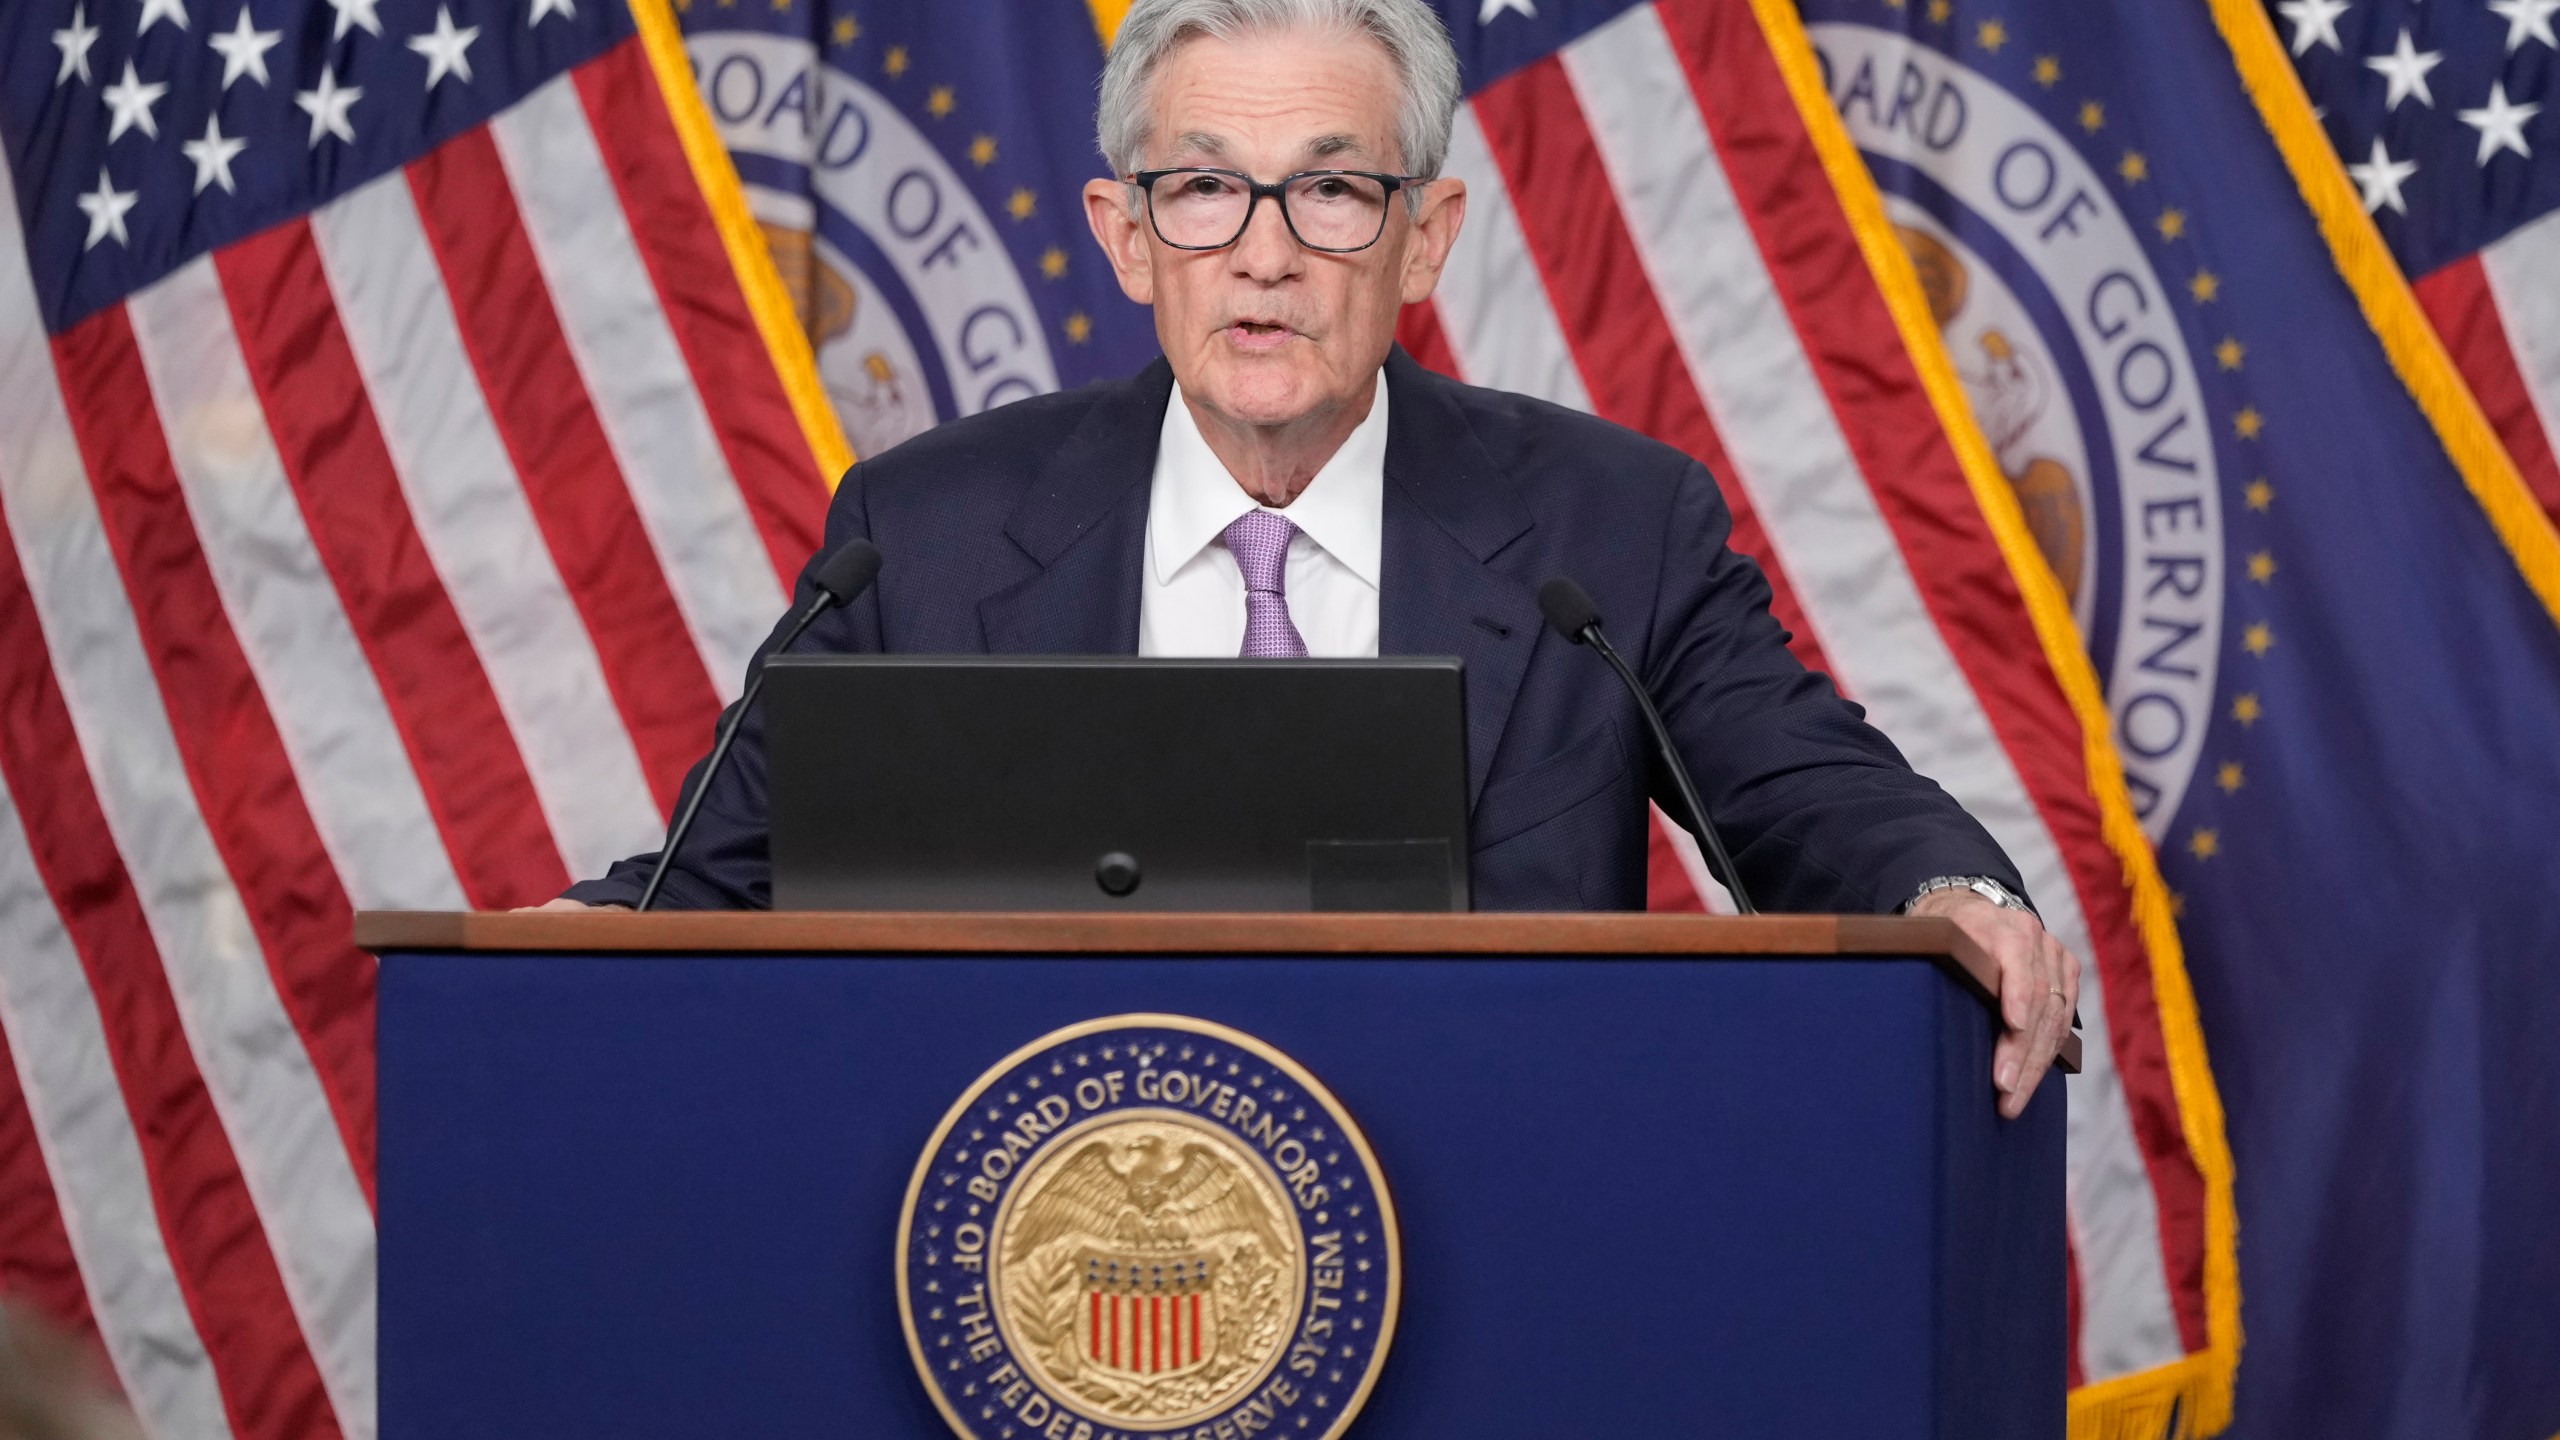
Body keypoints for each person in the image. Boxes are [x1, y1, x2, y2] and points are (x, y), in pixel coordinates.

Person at [549, 0, 2080, 1116]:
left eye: (1333, 189)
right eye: (1206, 187)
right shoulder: (925, 535)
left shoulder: (1609, 528)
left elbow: (1805, 790)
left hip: (1490, 1240)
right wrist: (568, 947)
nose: (1265, 254)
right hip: (1042, 1250)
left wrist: (1949, 886)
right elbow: (719, 885)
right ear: (1127, 235)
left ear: (1425, 237)